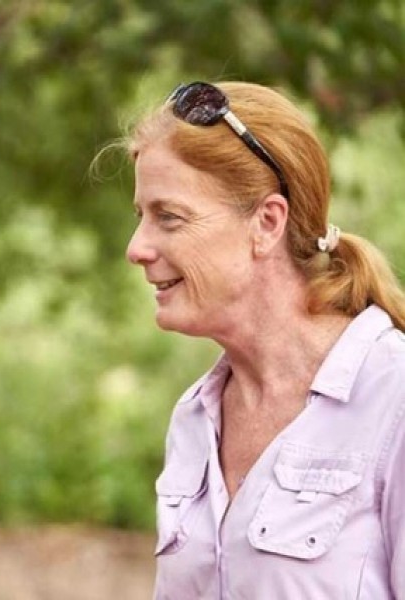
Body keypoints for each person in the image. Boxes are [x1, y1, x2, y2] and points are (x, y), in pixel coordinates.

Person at [124, 81, 405, 597]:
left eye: (169, 216)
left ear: (267, 223)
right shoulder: (195, 417)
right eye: (141, 216)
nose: (137, 247)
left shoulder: (393, 399)